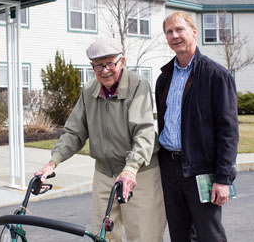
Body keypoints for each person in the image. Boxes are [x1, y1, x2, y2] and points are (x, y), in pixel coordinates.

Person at [36, 37, 166, 242]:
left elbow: (143, 131)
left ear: (122, 61)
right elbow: (74, 132)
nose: (104, 70)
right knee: (103, 236)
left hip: (139, 174)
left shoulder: (137, 85)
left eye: (110, 63)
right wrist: (53, 163)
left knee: (144, 236)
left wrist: (130, 169)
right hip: (104, 174)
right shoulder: (89, 91)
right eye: (98, 65)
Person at [155, 11, 239, 242]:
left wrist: (223, 178)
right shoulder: (164, 77)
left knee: (209, 235)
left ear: (194, 31)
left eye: (179, 29)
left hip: (202, 170)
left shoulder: (216, 75)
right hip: (169, 169)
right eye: (169, 32)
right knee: (180, 236)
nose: (174, 35)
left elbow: (228, 131)